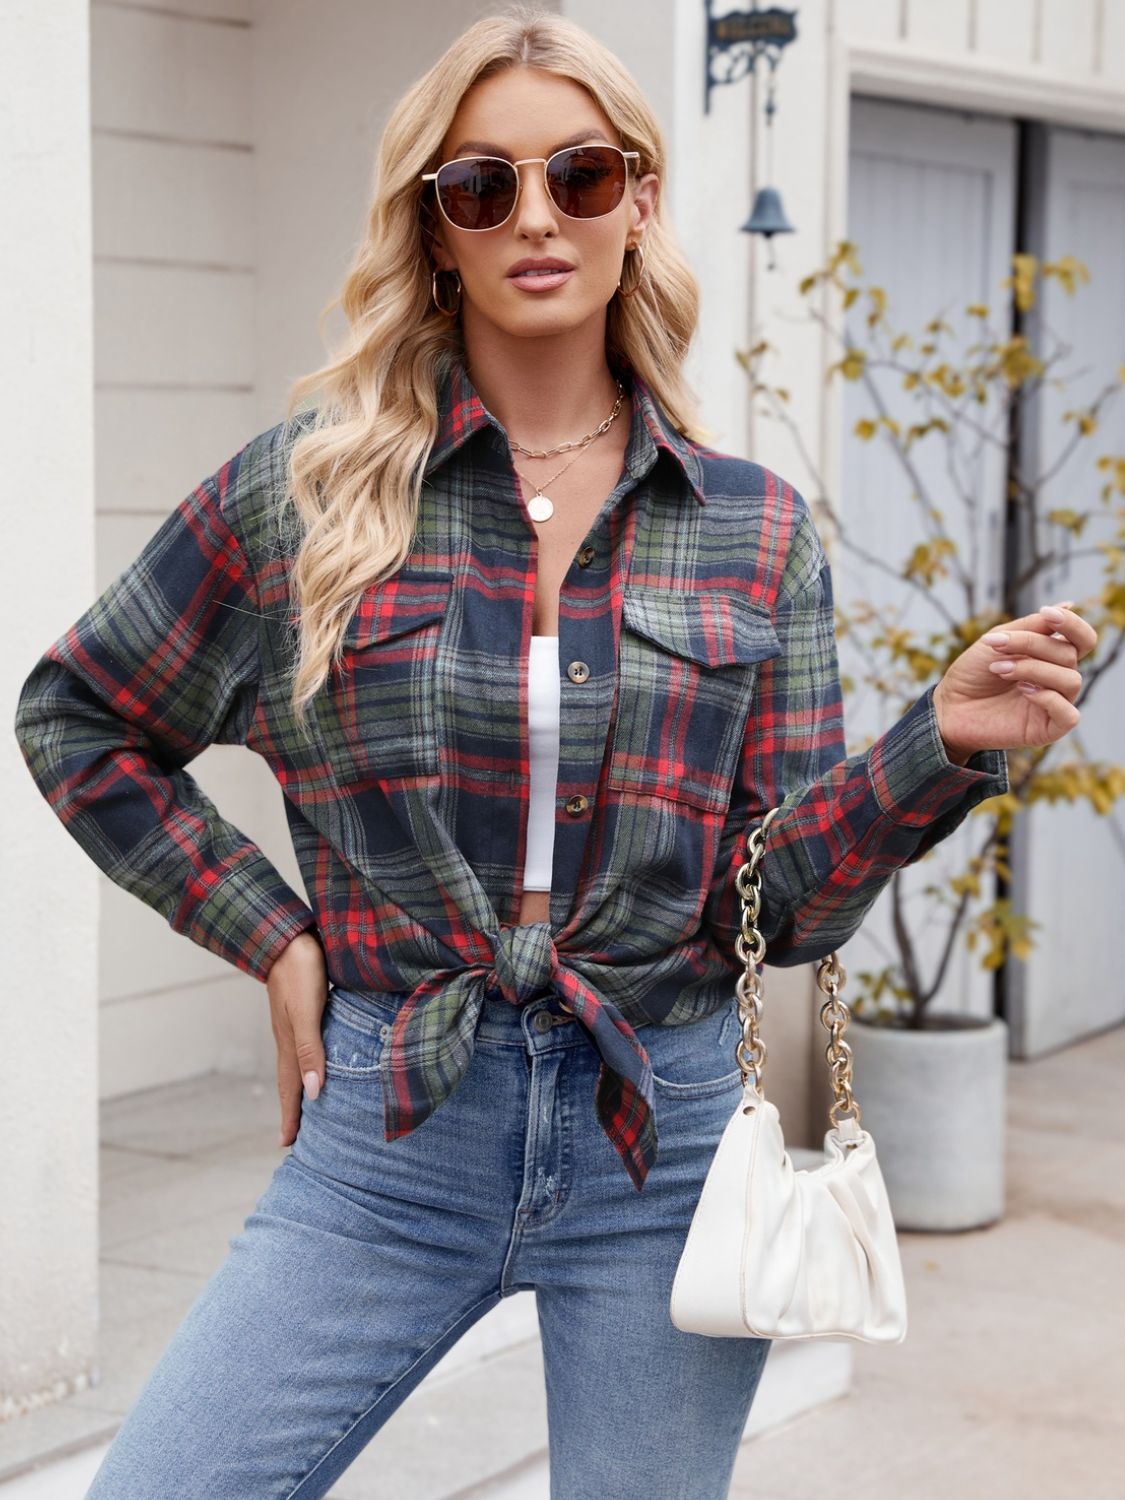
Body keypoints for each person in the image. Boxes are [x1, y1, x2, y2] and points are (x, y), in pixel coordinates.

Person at [12, 7, 1095, 1497]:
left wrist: (936, 748)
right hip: (394, 1131)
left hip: (661, 1134)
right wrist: (271, 940)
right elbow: (80, 717)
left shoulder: (751, 531)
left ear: (639, 200)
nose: (535, 217)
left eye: (580, 176)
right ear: (434, 227)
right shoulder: (301, 500)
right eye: (482, 186)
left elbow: (776, 908)